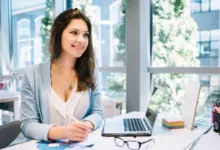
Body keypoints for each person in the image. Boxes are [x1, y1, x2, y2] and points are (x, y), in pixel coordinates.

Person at [11, 8, 103, 145]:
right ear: (58, 35)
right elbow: (28, 125)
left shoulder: (91, 71)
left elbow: (98, 113)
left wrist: (86, 125)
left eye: (85, 35)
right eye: (74, 33)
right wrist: (65, 132)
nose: (81, 40)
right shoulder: (32, 74)